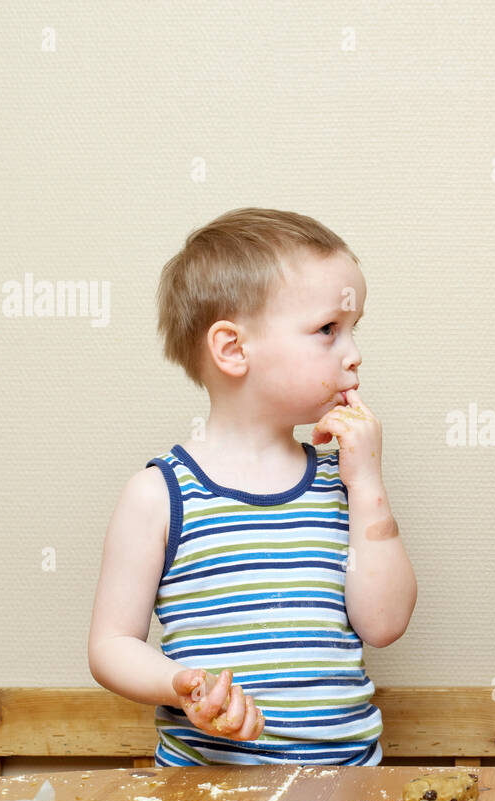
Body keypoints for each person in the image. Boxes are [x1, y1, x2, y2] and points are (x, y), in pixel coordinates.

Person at [88, 208, 416, 765]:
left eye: (355, 329)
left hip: (346, 792)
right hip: (206, 796)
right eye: (328, 330)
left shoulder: (344, 484)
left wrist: (369, 488)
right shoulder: (160, 495)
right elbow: (111, 646)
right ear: (234, 350)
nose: (354, 352)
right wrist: (183, 685)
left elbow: (383, 625)